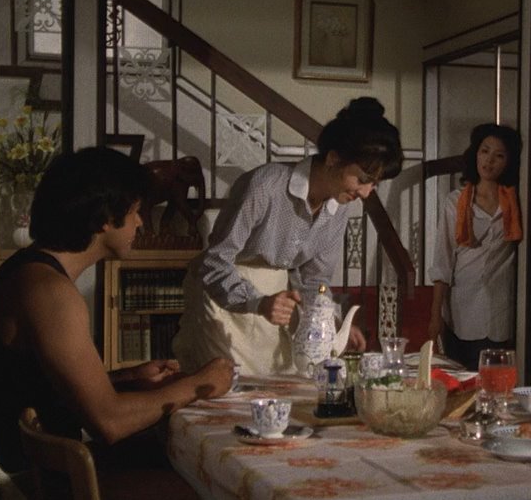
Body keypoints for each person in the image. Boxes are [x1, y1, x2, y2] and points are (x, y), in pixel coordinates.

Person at [0, 146, 234, 500]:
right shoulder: (49, 292)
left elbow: (36, 384)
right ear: (106, 218)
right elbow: (109, 423)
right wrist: (199, 383)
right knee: (220, 498)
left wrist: (128, 378)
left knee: (178, 462)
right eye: (136, 211)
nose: (141, 223)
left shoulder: (32, 272)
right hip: (34, 483)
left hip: (44, 463)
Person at [173, 97, 403, 376]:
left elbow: (315, 280)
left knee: (277, 388)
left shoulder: (339, 207)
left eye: (374, 184)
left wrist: (329, 321)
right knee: (225, 387)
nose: (366, 193)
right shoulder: (265, 185)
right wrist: (257, 302)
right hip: (224, 298)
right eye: (363, 179)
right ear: (333, 159)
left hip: (276, 302)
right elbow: (216, 261)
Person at [427, 124, 523, 370]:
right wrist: (435, 316)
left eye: (499, 155)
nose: (489, 161)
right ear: (475, 154)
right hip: (462, 311)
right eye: (484, 151)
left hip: (502, 311)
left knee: (496, 380)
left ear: (508, 162)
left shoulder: (516, 202)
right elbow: (443, 261)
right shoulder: (455, 201)